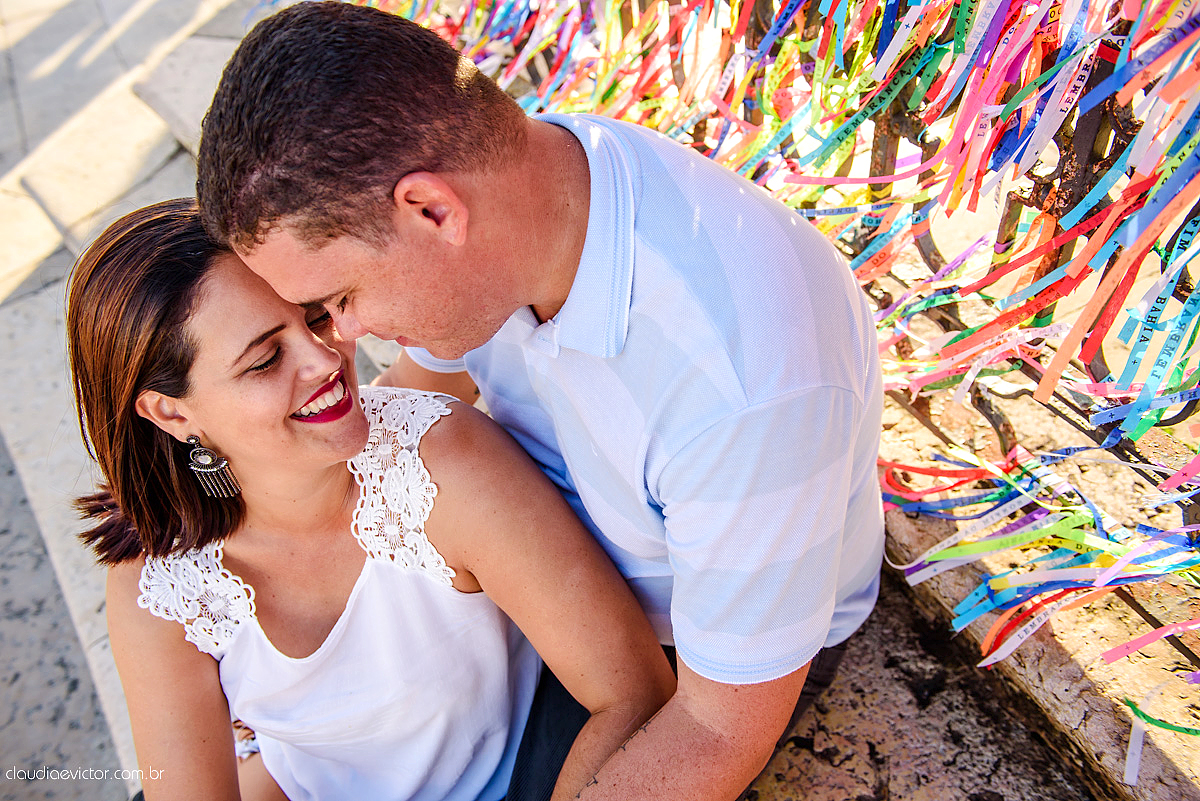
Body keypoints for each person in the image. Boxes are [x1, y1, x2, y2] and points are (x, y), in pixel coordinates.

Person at [196, 2, 885, 797]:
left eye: (339, 299)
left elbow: (717, 729)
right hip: (525, 566)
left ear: (430, 210)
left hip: (685, 648)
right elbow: (417, 397)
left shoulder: (743, 385)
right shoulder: (518, 191)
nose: (339, 338)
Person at [66, 198, 675, 801]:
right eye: (266, 359)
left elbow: (633, 693)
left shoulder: (441, 463)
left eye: (316, 316)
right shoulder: (158, 584)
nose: (326, 359)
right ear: (172, 411)